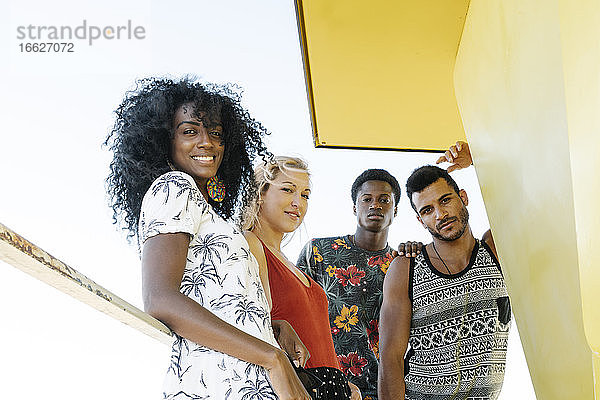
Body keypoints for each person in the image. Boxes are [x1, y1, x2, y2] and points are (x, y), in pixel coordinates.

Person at [104, 78, 310, 400]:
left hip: (245, 381)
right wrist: (272, 358)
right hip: (218, 383)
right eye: (190, 131)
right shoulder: (174, 187)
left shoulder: (208, 211)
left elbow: (216, 298)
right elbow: (161, 299)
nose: (207, 143)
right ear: (163, 139)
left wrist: (272, 326)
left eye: (216, 133)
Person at [378, 141, 511, 400]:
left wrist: (481, 159)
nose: (440, 214)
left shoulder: (497, 249)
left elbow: (530, 191)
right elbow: (390, 358)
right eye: (427, 210)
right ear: (420, 219)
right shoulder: (407, 267)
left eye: (445, 200)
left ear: (463, 198)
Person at [242, 156, 360, 400]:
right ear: (260, 194)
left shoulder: (289, 262)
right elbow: (257, 325)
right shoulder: (251, 243)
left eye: (305, 195)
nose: (298, 203)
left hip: (331, 388)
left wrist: (343, 384)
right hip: (297, 388)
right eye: (288, 190)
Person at [296, 169, 401, 400]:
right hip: (319, 382)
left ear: (395, 211)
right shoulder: (319, 251)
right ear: (355, 207)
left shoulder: (401, 267)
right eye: (367, 199)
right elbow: (296, 313)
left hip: (376, 389)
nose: (376, 205)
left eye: (385, 200)